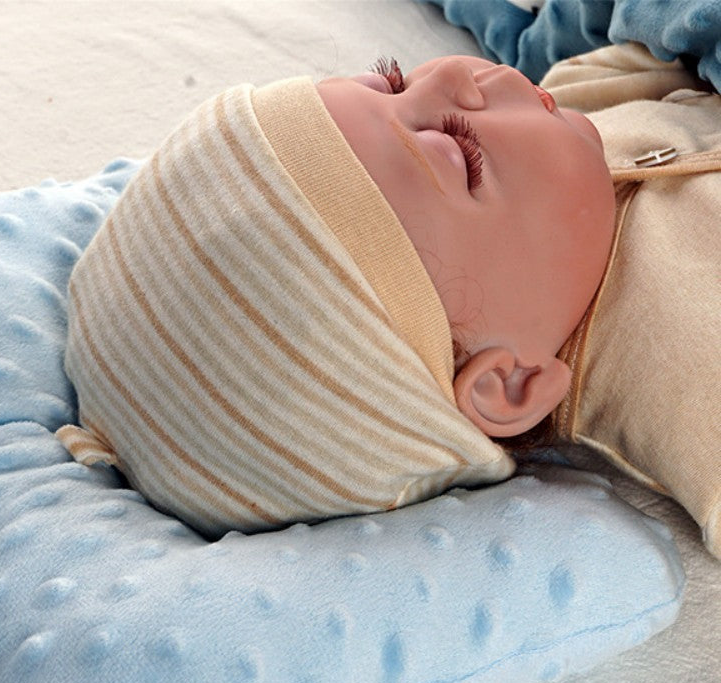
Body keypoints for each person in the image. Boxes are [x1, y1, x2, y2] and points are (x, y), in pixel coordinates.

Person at [57, 46, 720, 557]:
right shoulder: (683, 380)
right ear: (508, 385)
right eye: (460, 152)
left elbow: (650, 45)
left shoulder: (566, 108)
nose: (453, 73)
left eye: (394, 82)